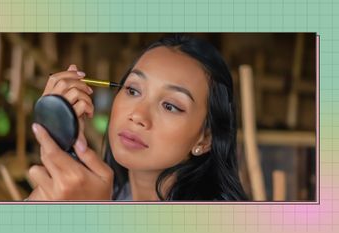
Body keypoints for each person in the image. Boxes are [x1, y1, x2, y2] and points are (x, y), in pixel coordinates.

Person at [27, 34, 248, 201]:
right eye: (133, 90)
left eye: (170, 106)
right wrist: (63, 148)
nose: (138, 115)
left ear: (205, 138)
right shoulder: (105, 194)